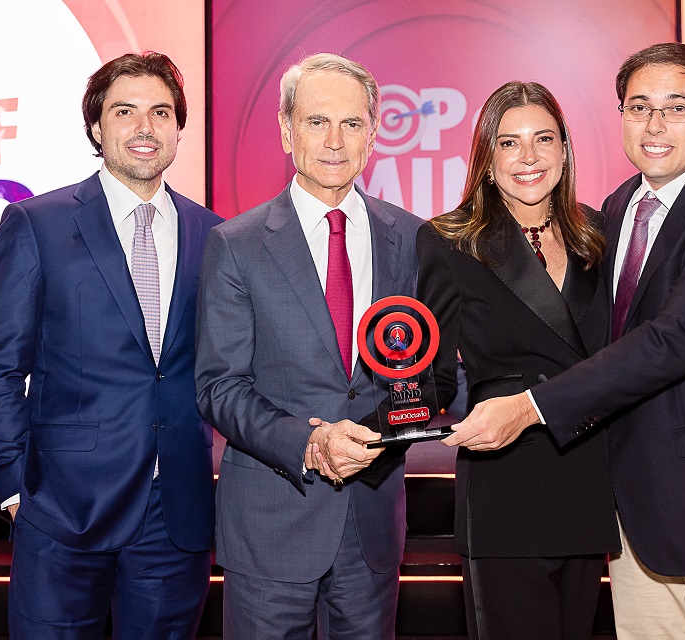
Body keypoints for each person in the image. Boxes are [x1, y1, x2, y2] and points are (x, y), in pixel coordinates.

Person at [443, 43, 685, 639]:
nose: (654, 125)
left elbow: (671, 341)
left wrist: (529, 408)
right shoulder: (617, 210)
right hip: (637, 528)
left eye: (676, 107)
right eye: (638, 106)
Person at [0, 52, 220, 638]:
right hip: (61, 510)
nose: (144, 127)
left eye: (160, 112)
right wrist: (10, 485)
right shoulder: (38, 224)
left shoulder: (213, 234)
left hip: (175, 514)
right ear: (96, 127)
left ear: (178, 128)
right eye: (125, 111)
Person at [195, 52, 422, 639]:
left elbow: (425, 369)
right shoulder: (236, 244)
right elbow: (219, 387)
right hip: (273, 523)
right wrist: (312, 441)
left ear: (373, 134)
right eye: (317, 122)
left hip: (371, 522)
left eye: (351, 124)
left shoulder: (412, 238)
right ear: (285, 129)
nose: (334, 141)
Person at [417, 82, 620, 639]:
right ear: (487, 158)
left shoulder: (599, 234)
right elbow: (428, 375)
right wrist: (381, 418)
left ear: (564, 151)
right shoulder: (449, 241)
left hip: (586, 479)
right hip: (507, 486)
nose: (528, 158)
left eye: (543, 140)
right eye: (509, 143)